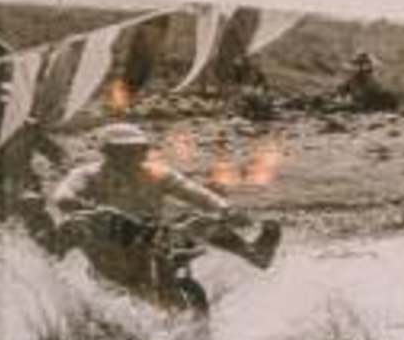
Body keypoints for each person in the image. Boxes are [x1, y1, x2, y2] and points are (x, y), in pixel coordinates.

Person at [43, 124, 282, 304]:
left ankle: (254, 254)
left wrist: (225, 209)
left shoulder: (156, 173)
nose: (133, 156)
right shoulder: (87, 175)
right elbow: (63, 195)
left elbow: (194, 193)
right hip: (111, 241)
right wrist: (73, 203)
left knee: (201, 222)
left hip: (153, 235)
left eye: (138, 150)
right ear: (107, 152)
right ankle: (45, 271)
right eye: (124, 151)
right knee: (72, 227)